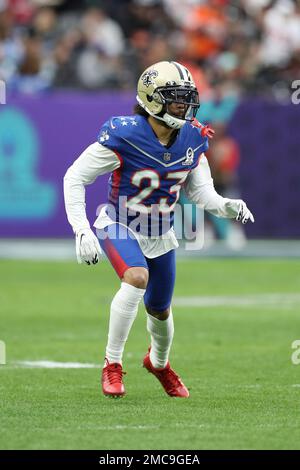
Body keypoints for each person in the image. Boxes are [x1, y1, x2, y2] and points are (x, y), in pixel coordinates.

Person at [63, 61, 254, 399]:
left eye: (187, 98)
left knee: (160, 309)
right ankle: (112, 364)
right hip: (120, 222)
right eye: (176, 98)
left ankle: (159, 364)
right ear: (152, 100)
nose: (185, 106)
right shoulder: (125, 134)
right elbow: (75, 177)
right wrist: (81, 229)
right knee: (136, 278)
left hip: (161, 232)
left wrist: (225, 205)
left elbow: (200, 192)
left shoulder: (192, 138)